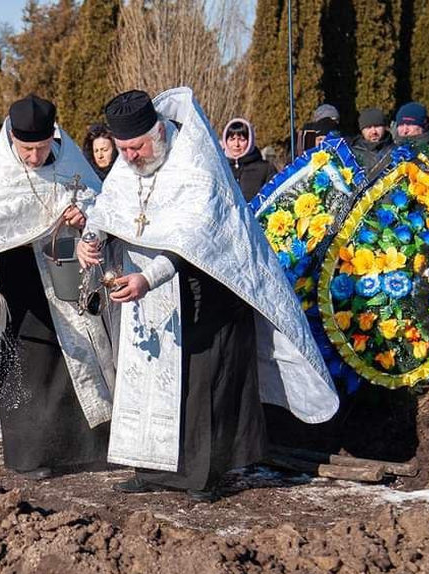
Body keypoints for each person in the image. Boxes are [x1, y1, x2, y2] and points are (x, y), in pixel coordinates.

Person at [79, 88, 339, 501]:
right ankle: (150, 468)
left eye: (136, 147)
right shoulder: (130, 165)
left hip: (208, 293)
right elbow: (109, 208)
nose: (128, 157)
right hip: (148, 297)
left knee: (201, 387)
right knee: (146, 379)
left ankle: (203, 476)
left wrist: (149, 277)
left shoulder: (196, 163)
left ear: (159, 133)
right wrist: (90, 239)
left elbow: (197, 239)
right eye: (123, 149)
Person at [0, 95, 114, 480]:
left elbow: (99, 207)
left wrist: (84, 217)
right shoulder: (4, 170)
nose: (33, 157)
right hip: (18, 279)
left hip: (65, 271)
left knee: (73, 360)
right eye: (26, 150)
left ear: (51, 138)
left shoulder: (71, 162)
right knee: (28, 367)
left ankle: (84, 451)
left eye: (39, 149)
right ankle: (30, 455)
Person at [220, 117, 276, 201]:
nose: (236, 144)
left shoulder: (266, 169)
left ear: (250, 141)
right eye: (232, 139)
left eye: (242, 140)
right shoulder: (219, 168)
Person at [350, 108, 394, 175]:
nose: (373, 132)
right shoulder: (352, 155)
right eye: (368, 127)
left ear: (384, 127)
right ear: (362, 130)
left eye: (377, 126)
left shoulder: (397, 151)